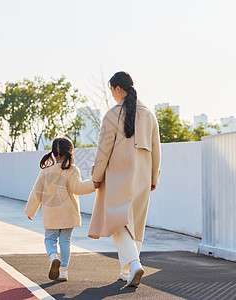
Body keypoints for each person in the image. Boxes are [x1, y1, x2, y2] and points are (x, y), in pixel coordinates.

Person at [88, 71, 161, 287]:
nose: (112, 94)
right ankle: (126, 270)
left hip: (118, 177)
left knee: (117, 221)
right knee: (135, 223)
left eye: (112, 90)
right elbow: (157, 149)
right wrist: (154, 176)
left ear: (118, 88)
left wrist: (96, 176)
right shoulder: (149, 115)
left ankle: (134, 264)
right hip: (143, 177)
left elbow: (103, 151)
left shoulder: (112, 114)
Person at [25, 137, 96, 281]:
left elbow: (36, 193)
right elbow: (78, 188)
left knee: (50, 239)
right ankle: (63, 271)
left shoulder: (45, 172)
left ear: (53, 153)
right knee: (65, 241)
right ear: (70, 151)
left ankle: (53, 257)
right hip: (68, 214)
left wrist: (30, 211)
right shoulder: (72, 170)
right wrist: (93, 183)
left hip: (52, 214)